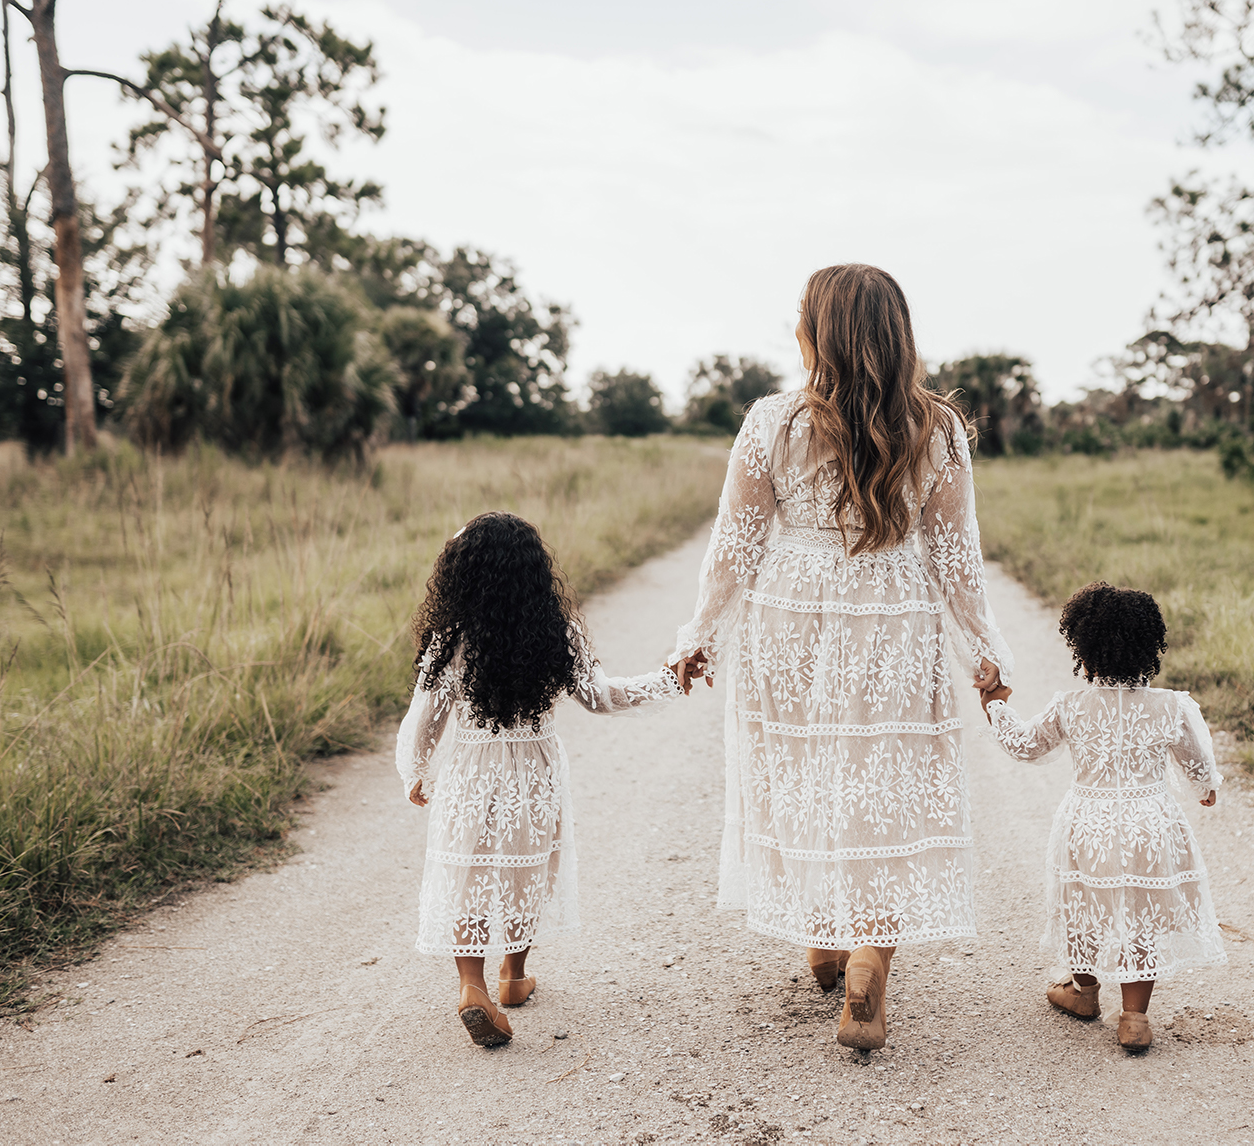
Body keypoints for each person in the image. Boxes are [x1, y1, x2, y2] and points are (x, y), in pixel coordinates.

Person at [669, 263, 1013, 1051]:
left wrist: (699, 633)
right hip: (892, 609)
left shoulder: (771, 421)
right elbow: (958, 557)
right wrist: (982, 652)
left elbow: (735, 543)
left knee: (801, 769)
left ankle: (823, 936)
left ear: (815, 333)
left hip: (789, 612)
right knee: (881, 780)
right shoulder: (939, 428)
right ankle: (866, 958)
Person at [397, 511, 684, 1047]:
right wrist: (668, 681)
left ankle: (470, 987)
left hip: (471, 769)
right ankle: (513, 976)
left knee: (472, 878)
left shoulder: (450, 635)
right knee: (527, 870)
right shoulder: (554, 628)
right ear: (534, 572)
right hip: (535, 771)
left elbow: (427, 717)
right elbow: (602, 697)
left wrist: (415, 772)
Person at [978, 581, 1225, 1054]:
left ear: (1084, 651)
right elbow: (1197, 762)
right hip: (1149, 823)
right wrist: (1206, 788)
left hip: (1088, 823)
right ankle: (1134, 1018)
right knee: (1141, 917)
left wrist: (996, 705)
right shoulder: (1170, 706)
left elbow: (1024, 746)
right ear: (1151, 650)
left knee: (1083, 907)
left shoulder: (1071, 706)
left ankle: (1083, 991)